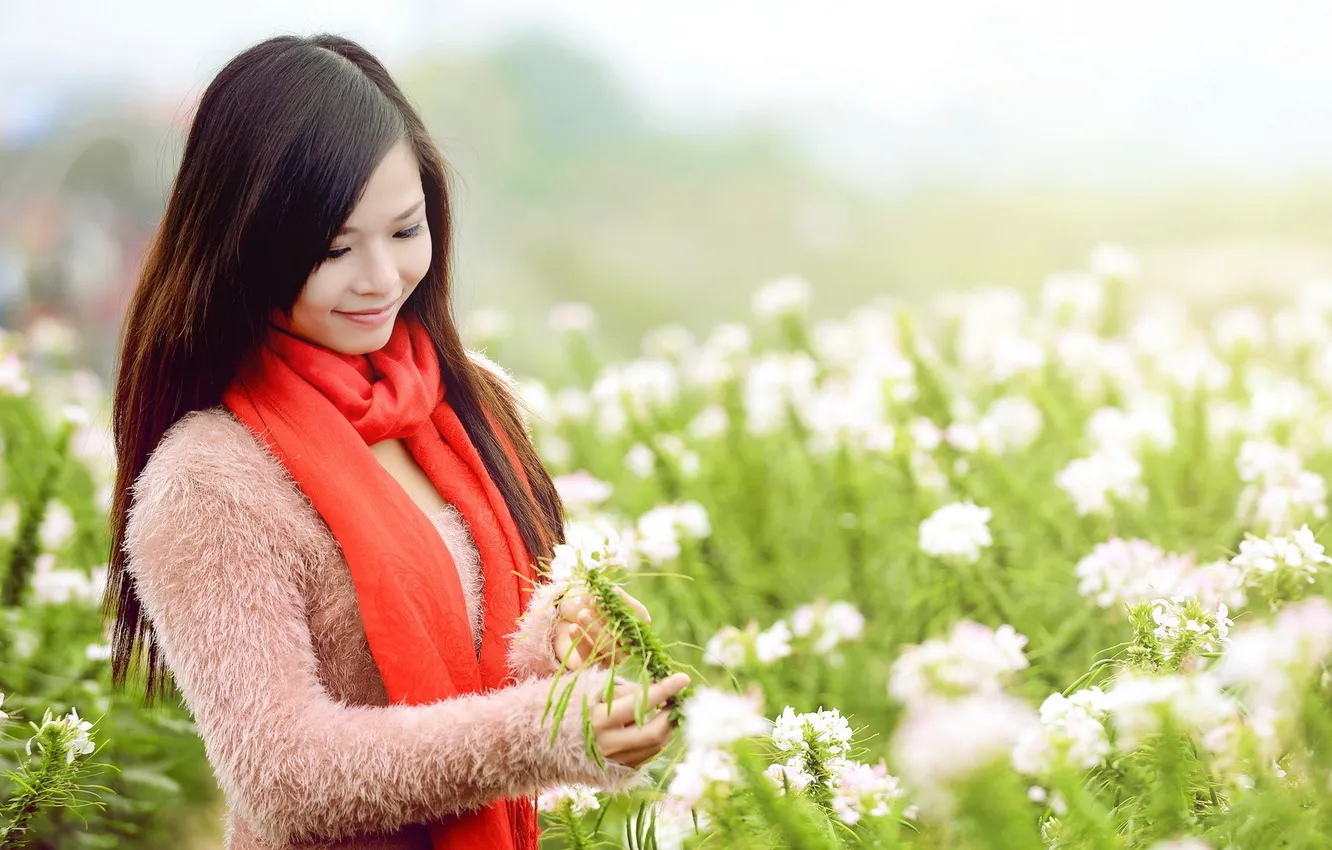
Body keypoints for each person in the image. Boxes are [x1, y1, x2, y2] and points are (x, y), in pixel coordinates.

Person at [102, 33, 690, 850]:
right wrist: (545, 730)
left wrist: (560, 652)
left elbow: (468, 673)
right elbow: (282, 779)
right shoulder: (208, 479)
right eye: (335, 249)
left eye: (405, 231)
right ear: (246, 246)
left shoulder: (473, 402)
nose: (381, 278)